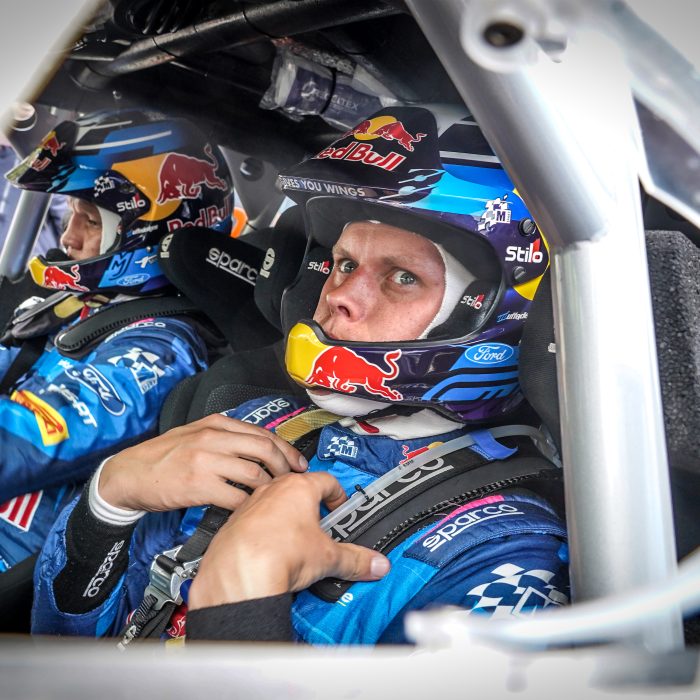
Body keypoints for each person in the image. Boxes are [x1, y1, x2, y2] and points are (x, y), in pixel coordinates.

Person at [32, 106, 568, 644]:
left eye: (403, 277)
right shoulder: (252, 421)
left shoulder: (504, 555)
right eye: (344, 264)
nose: (339, 297)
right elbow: (69, 655)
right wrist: (105, 505)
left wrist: (241, 606)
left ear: (489, 310)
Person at [0, 109, 235, 572]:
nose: (69, 238)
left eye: (90, 220)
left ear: (148, 232)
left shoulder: (160, 351)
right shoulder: (81, 307)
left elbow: (32, 440)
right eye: (72, 215)